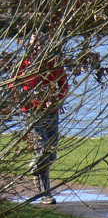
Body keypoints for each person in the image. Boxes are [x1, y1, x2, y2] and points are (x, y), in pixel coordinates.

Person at [15, 36, 69, 204]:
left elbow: (64, 85)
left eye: (41, 44)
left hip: (52, 112)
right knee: (42, 150)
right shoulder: (24, 65)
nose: (38, 48)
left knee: (51, 153)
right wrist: (27, 102)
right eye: (35, 45)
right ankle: (46, 194)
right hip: (32, 113)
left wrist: (57, 100)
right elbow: (14, 88)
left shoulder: (54, 64)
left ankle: (35, 168)